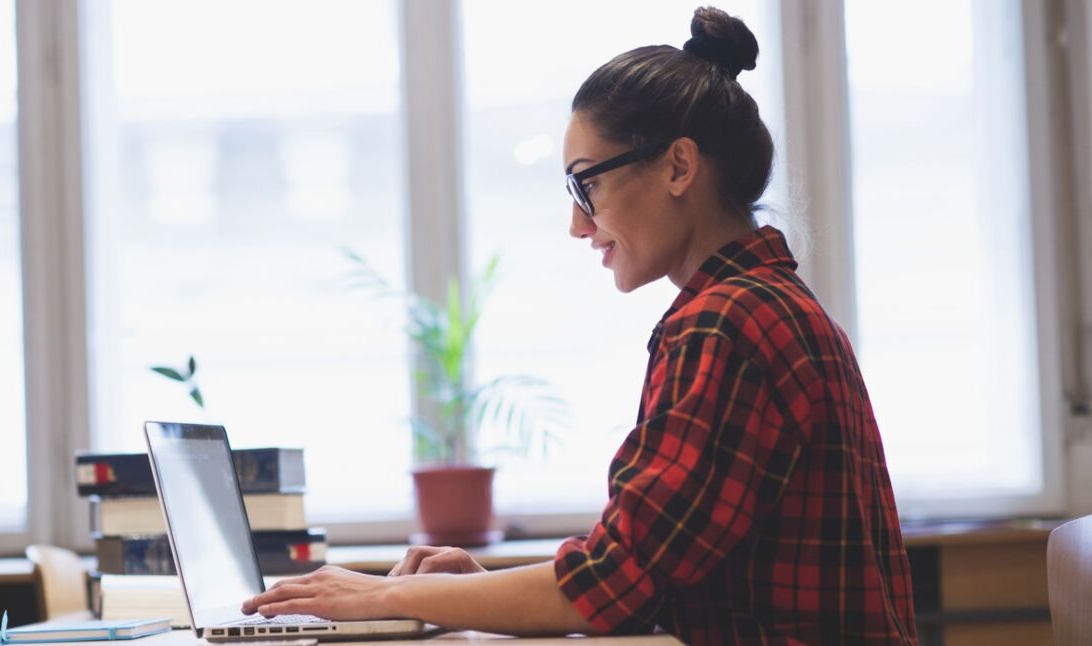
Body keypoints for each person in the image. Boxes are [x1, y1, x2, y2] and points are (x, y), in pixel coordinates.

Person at [241, 6, 917, 644]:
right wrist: (482, 592)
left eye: (585, 184)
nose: (577, 223)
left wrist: (383, 598)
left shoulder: (727, 325)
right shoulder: (768, 305)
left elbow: (611, 584)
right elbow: (648, 577)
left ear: (679, 166)